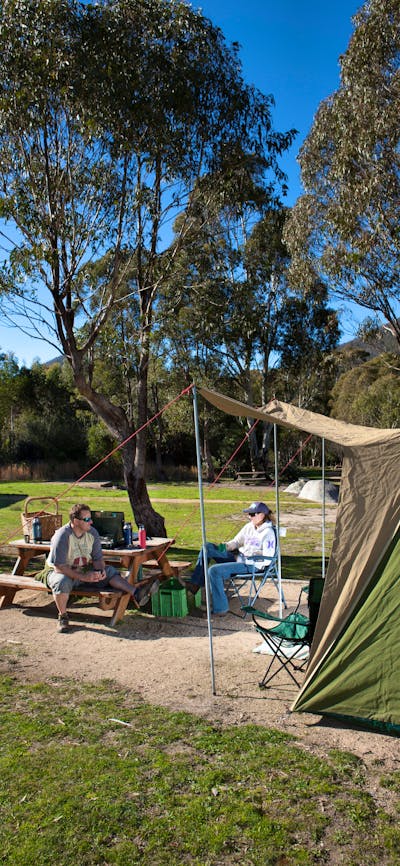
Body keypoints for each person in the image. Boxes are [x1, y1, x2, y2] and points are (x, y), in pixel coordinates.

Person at [43, 503, 153, 632]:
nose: (91, 522)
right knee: (62, 581)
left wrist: (100, 570)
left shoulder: (92, 533)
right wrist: (84, 577)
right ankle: (63, 616)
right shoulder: (62, 535)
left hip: (82, 568)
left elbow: (97, 559)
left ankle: (137, 593)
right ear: (76, 521)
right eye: (87, 519)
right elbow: (59, 567)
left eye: (90, 518)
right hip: (59, 571)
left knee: (109, 571)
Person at [184, 502, 277, 616]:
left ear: (262, 515)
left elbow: (268, 558)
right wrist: (226, 546)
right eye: (249, 514)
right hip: (238, 558)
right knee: (207, 547)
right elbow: (236, 542)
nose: (249, 517)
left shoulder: (268, 533)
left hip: (252, 565)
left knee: (214, 570)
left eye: (252, 514)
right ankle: (195, 584)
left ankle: (221, 609)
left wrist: (249, 558)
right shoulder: (249, 527)